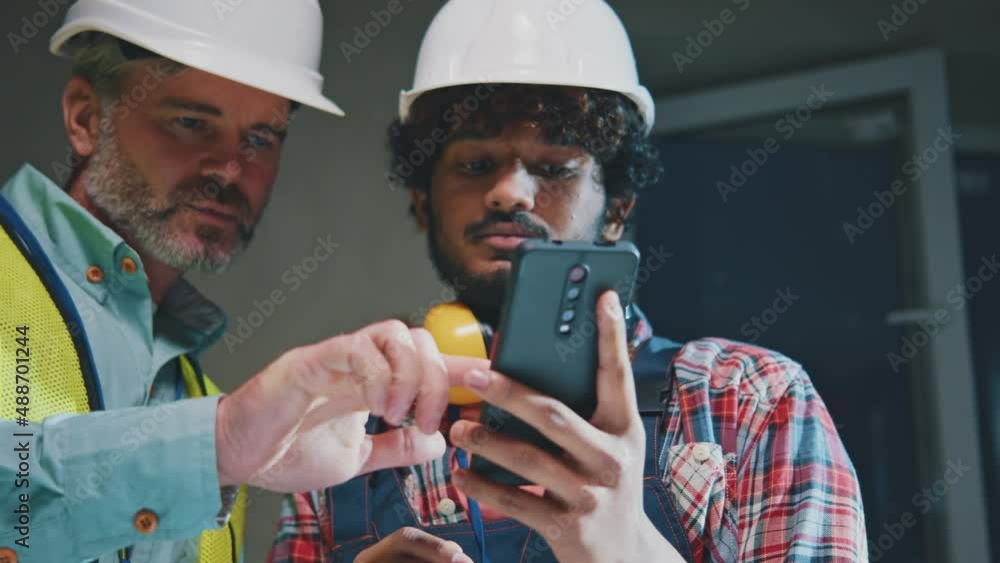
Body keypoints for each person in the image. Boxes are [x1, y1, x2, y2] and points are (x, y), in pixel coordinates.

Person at [268, 1, 869, 562]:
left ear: (617, 208)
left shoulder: (748, 402)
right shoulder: (343, 432)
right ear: (423, 202)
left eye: (556, 168)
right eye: (475, 164)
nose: (509, 192)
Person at [0, 1, 466, 562]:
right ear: (86, 118)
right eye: (192, 122)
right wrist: (216, 445)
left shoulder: (205, 409)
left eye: (261, 138)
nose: (229, 168)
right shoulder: (219, 435)